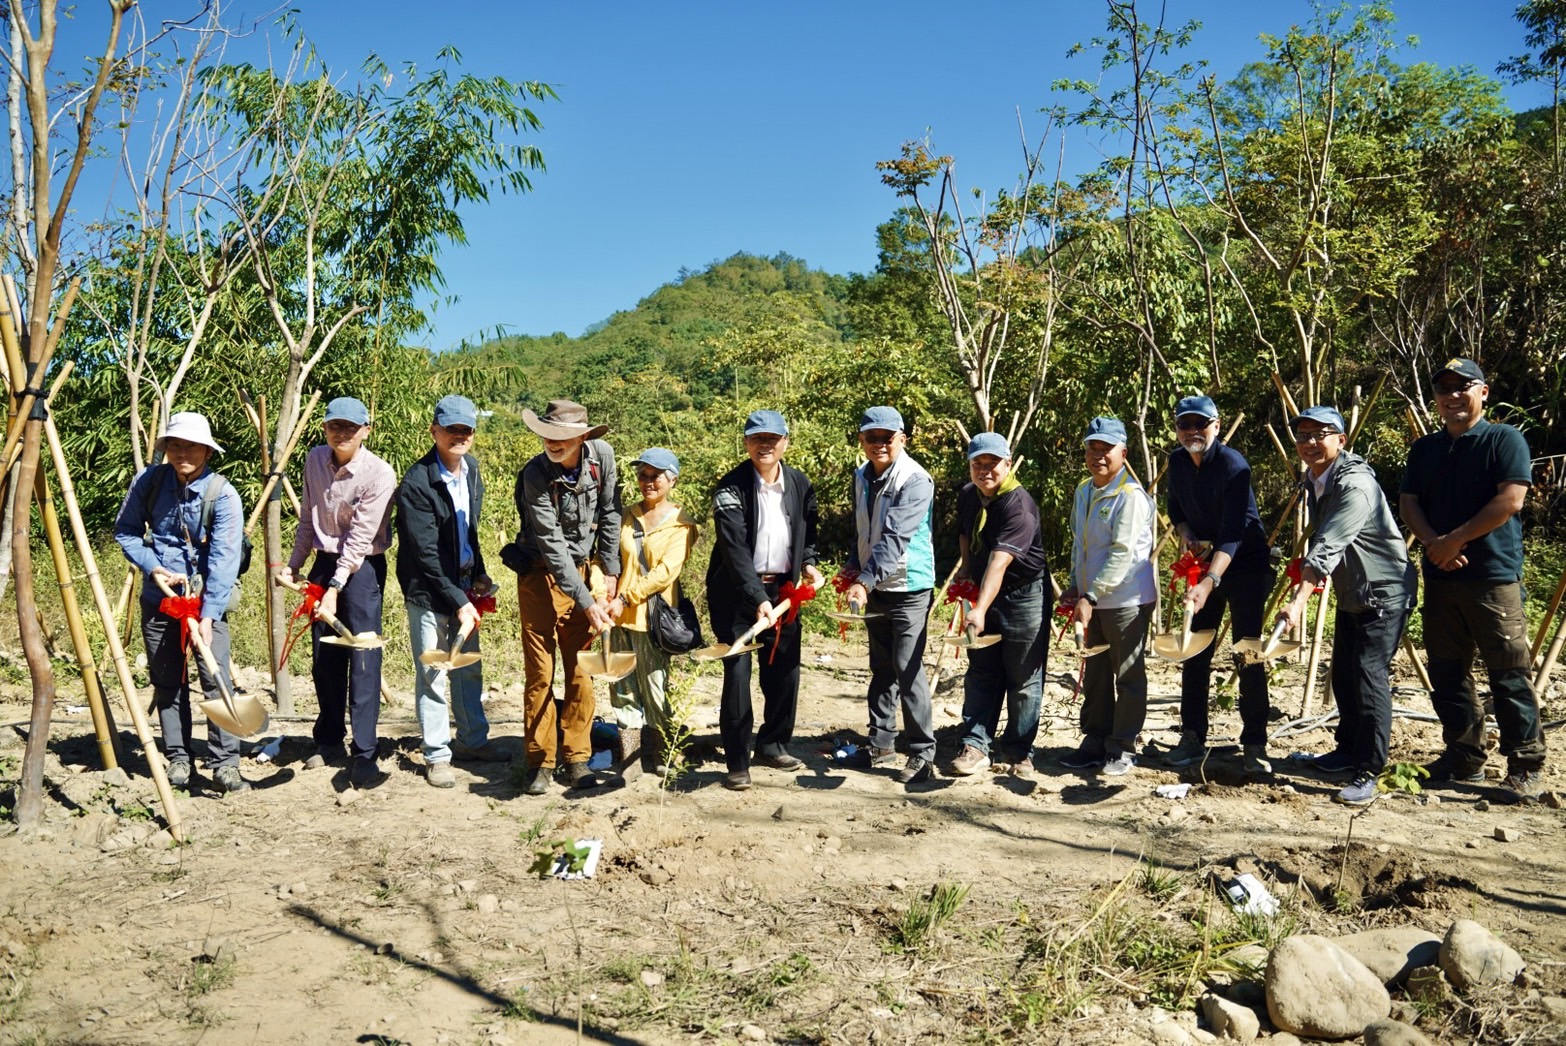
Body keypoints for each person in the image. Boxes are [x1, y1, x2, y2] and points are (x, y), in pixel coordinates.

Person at [1399, 358, 1546, 802]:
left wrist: (1454, 541)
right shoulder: (1425, 449)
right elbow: (1408, 502)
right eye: (1444, 389)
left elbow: (1511, 500)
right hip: (1441, 577)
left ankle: (1525, 764)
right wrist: (1432, 544)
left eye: (1463, 386)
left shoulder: (1504, 439)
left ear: (1483, 392)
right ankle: (1463, 756)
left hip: (1491, 576)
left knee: (1508, 673)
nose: (1452, 396)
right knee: (1447, 672)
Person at [1279, 405, 1417, 805]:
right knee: (1342, 673)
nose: (1309, 443)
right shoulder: (1315, 479)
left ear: (1341, 440)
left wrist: (1299, 600)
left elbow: (1328, 546)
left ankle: (1369, 769)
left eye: (1320, 434)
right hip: (1354, 592)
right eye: (1302, 435)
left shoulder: (1354, 484)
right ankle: (1347, 750)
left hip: (1384, 593)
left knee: (1368, 675)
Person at [114, 412, 250, 796]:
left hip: (205, 598)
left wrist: (208, 616)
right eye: (174, 445)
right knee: (167, 681)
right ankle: (178, 757)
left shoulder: (222, 495)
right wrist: (154, 568)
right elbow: (125, 531)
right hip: (161, 599)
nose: (182, 453)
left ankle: (225, 763)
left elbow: (224, 561)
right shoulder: (150, 482)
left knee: (215, 678)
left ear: (207, 449)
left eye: (190, 445)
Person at [280, 396, 397, 788]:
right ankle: (329, 738)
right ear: (325, 428)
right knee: (324, 654)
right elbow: (308, 519)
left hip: (363, 568)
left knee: (363, 654)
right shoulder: (315, 460)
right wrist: (294, 564)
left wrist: (335, 587)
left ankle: (365, 752)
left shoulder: (379, 473)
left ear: (366, 430)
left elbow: (361, 538)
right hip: (325, 561)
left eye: (350, 427)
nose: (341, 433)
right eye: (334, 426)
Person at [395, 394, 510, 789]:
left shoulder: (472, 471)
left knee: (468, 668)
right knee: (434, 671)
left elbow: (469, 531)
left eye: (466, 429)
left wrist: (477, 573)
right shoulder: (416, 483)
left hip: (462, 586)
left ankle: (472, 742)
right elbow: (425, 555)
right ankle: (437, 755)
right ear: (434, 431)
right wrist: (459, 602)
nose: (459, 436)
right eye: (451, 429)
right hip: (428, 591)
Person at [508, 400, 622, 796]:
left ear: (584, 437)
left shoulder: (602, 457)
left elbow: (609, 512)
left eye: (563, 437)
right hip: (540, 573)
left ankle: (577, 757)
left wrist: (609, 573)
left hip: (586, 573)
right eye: (547, 435)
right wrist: (588, 602)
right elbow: (552, 545)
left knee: (581, 669)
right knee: (540, 672)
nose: (552, 443)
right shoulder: (535, 474)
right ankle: (541, 760)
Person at [707, 409, 823, 791]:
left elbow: (809, 531)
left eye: (772, 439)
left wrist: (807, 564)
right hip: (737, 595)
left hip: (784, 594)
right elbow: (734, 550)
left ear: (785, 442)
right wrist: (757, 596)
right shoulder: (730, 487)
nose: (765, 445)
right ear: (746, 443)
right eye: (757, 439)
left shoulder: (800, 484)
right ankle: (738, 762)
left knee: (785, 672)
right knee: (738, 676)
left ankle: (773, 743)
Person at [1162, 395, 1277, 774]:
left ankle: (1255, 743)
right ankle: (1192, 736)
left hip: (1244, 563)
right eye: (1185, 425)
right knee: (1195, 649)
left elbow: (1233, 532)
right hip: (1204, 562)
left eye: (1200, 424)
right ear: (1177, 429)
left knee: (1248, 651)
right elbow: (1175, 507)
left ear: (1216, 425)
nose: (1193, 432)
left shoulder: (1233, 465)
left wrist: (1211, 579)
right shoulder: (1177, 462)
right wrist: (1187, 532)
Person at [843, 407, 937, 786]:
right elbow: (864, 530)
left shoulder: (915, 480)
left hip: (909, 585)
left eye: (887, 437)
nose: (879, 444)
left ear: (902, 439)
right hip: (875, 586)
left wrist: (863, 581)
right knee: (881, 666)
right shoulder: (862, 475)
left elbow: (896, 537)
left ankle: (922, 753)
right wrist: (854, 567)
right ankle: (881, 742)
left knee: (906, 665)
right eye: (872, 437)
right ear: (862, 441)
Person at [1060, 417, 1157, 776]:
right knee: (1096, 671)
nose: (1098, 455)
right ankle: (1095, 740)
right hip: (1091, 598)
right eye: (1093, 448)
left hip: (1125, 600)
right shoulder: (1084, 489)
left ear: (1123, 453)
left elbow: (1123, 553)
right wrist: (1075, 585)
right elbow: (1079, 544)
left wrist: (1092, 594)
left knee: (1127, 673)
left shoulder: (1130, 497)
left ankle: (1123, 746)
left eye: (1106, 449)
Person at [950, 431, 1049, 778]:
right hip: (983, 590)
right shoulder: (968, 495)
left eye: (993, 463)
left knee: (1023, 675)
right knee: (981, 669)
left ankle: (1020, 750)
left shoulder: (1019, 506)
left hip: (1023, 594)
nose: (985, 470)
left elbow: (1000, 561)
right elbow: (965, 533)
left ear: (1008, 464)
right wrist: (964, 568)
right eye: (978, 464)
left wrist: (978, 608)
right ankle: (975, 743)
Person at [607, 447, 699, 779]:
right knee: (623, 688)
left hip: (652, 619)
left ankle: (664, 755)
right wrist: (601, 592)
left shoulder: (682, 524)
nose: (648, 482)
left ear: (671, 480)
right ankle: (630, 760)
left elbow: (664, 573)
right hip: (617, 616)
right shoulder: (624, 515)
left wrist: (626, 597)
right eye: (643, 475)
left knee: (654, 688)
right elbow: (607, 558)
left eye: (655, 476)